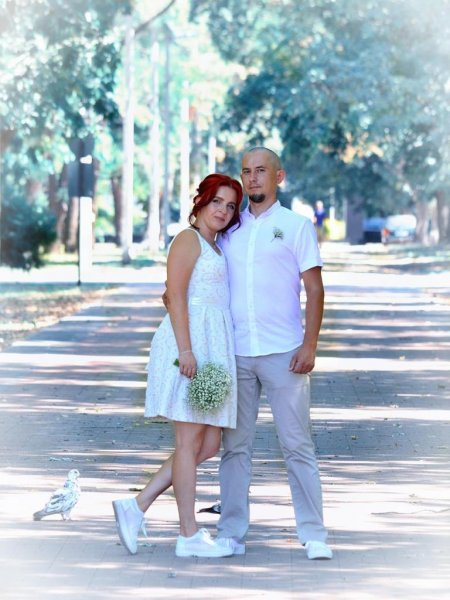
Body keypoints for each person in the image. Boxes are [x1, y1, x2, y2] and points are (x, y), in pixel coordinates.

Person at [112, 173, 243, 558]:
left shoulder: (215, 245)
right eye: (217, 201)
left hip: (213, 349)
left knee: (209, 443)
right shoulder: (188, 239)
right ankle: (188, 535)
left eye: (230, 206)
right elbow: (175, 296)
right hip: (190, 347)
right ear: (201, 202)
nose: (223, 210)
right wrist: (186, 351)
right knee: (188, 443)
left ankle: (136, 505)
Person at [215, 147, 332, 560]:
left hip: (285, 352)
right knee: (235, 448)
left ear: (278, 177)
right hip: (236, 352)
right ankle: (230, 533)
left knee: (297, 445)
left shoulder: (296, 227)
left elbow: (315, 290)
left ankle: (314, 534)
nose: (252, 178)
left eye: (260, 171)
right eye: (246, 171)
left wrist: (309, 344)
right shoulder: (228, 228)